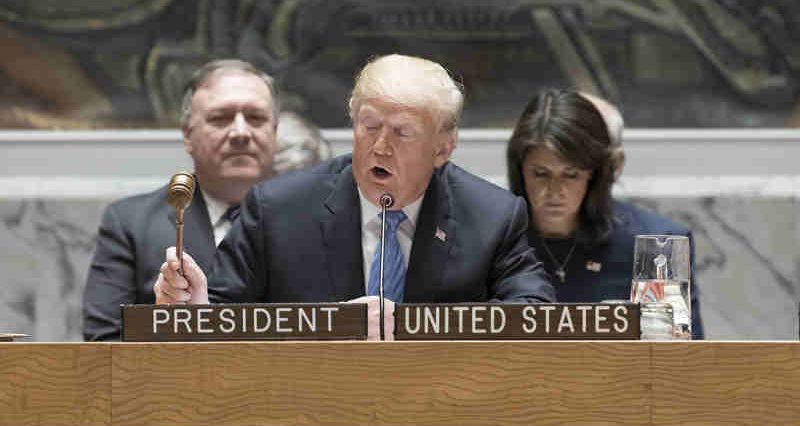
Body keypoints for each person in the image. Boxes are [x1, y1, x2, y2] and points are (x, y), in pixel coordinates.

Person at [154, 54, 555, 340]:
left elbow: (534, 313)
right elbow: (221, 317)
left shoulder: (492, 216)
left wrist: (413, 328)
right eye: (369, 126)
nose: (380, 146)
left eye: (402, 132)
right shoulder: (278, 210)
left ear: (443, 148)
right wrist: (196, 309)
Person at [83, 59, 283, 341]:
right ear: (188, 135)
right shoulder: (131, 224)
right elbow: (103, 344)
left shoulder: (311, 220)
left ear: (274, 133)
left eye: (256, 118)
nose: (240, 132)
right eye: (220, 118)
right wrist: (166, 325)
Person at [506, 89, 704, 339]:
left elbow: (677, 360)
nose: (555, 191)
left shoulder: (657, 248)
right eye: (541, 174)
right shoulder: (495, 240)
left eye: (571, 175)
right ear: (520, 170)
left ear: (594, 175)